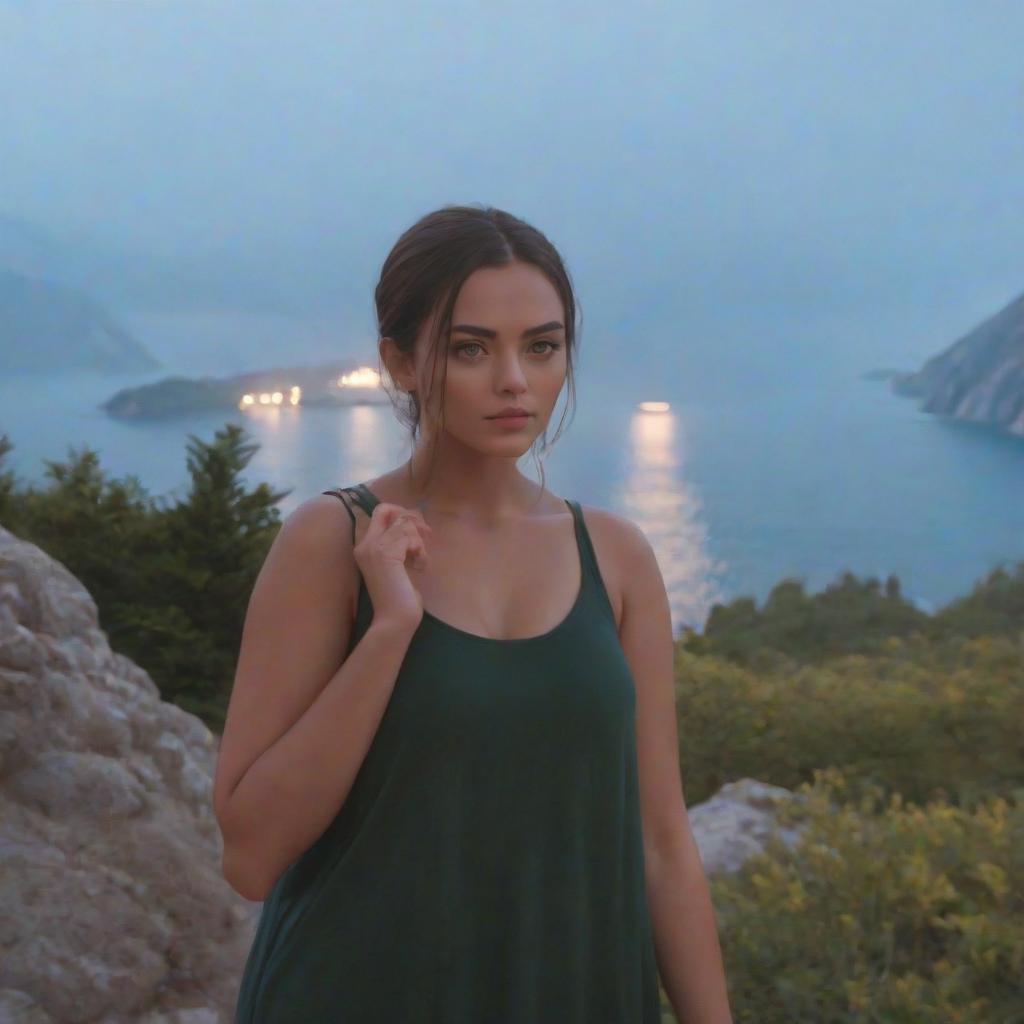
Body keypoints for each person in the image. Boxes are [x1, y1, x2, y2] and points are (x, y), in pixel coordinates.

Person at [214, 204, 733, 1023]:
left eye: (542, 346)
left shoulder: (618, 557)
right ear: (399, 362)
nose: (515, 382)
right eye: (470, 349)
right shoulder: (332, 542)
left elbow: (663, 850)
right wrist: (390, 632)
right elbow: (250, 853)